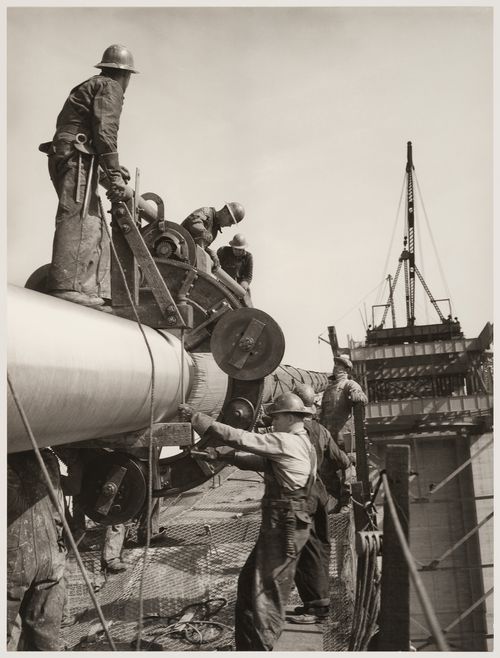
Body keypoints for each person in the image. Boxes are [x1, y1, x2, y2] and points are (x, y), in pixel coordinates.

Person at [180, 391, 316, 651]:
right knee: (248, 583)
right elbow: (259, 460)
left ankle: (259, 648)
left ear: (289, 417)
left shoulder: (286, 441)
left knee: (265, 593)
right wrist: (220, 456)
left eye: (276, 418)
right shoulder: (301, 442)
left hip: (284, 524)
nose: (272, 422)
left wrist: (197, 419)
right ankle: (248, 646)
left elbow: (243, 439)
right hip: (283, 522)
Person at [41, 44, 138, 309]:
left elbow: (93, 134)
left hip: (71, 152)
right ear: (125, 75)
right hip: (76, 154)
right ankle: (66, 287)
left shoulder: (93, 85)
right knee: (80, 216)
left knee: (94, 222)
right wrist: (115, 176)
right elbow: (105, 132)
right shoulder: (111, 87)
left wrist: (114, 170)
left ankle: (90, 290)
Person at [288, 384, 352, 625]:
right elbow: (340, 459)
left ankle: (317, 609)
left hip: (304, 500)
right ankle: (313, 604)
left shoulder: (292, 432)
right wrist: (350, 460)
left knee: (307, 553)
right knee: (318, 550)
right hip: (320, 497)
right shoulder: (322, 431)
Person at [7, 450, 67, 650]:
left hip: (13, 559)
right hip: (50, 554)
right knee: (45, 639)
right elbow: (59, 510)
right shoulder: (48, 459)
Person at [319, 354, 368, 450]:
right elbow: (323, 414)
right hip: (328, 438)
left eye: (339, 365)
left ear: (347, 370)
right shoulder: (328, 389)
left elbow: (363, 399)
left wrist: (357, 395)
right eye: (335, 364)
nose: (335, 366)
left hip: (343, 439)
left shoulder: (349, 384)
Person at [181, 203, 245, 270]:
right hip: (177, 247)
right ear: (225, 211)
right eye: (231, 221)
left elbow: (199, 246)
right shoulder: (206, 212)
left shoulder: (214, 230)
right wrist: (204, 232)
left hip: (187, 256)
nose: (229, 225)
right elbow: (193, 222)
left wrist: (211, 253)